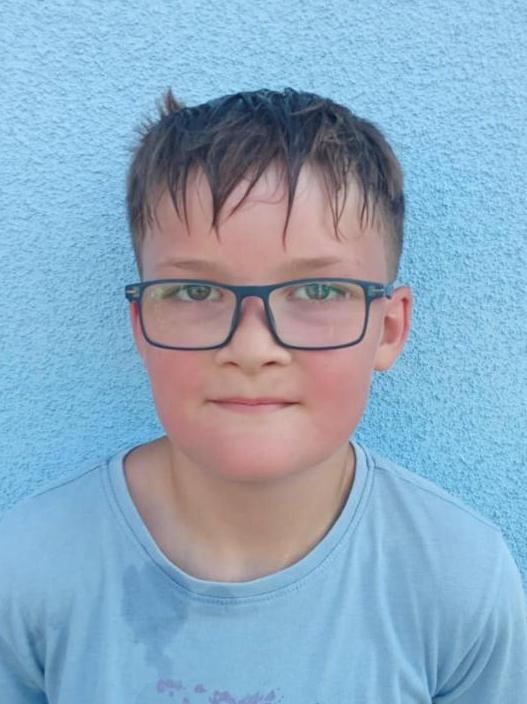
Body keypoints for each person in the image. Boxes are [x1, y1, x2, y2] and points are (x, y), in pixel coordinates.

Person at [1, 88, 526, 703]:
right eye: (195, 292)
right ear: (141, 325)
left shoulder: (460, 579)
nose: (251, 349)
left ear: (388, 329)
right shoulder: (27, 569)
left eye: (319, 291)